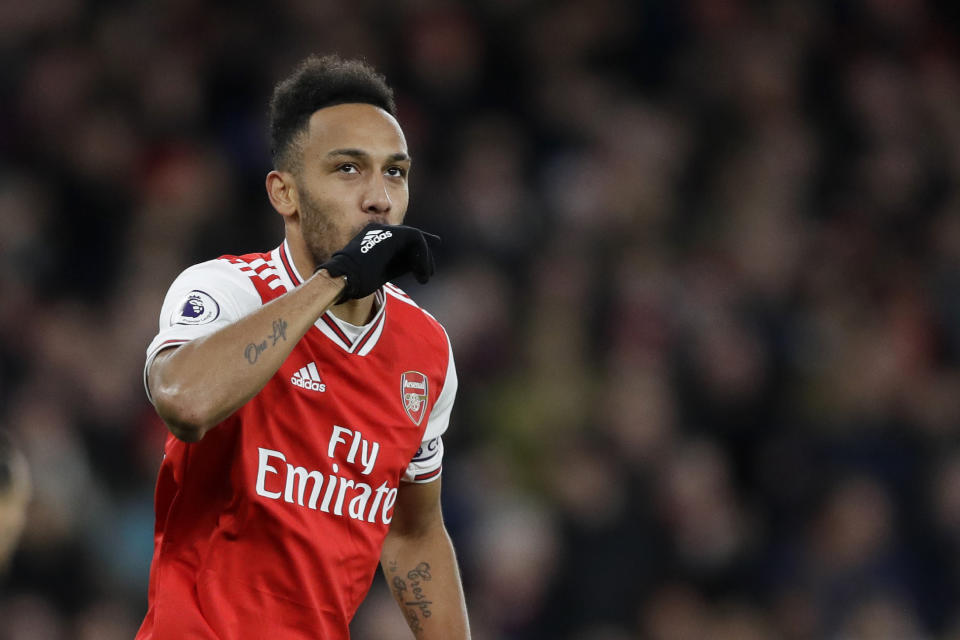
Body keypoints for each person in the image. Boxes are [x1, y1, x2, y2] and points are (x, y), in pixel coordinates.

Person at [136, 55, 470, 640]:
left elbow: (413, 534)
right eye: (347, 169)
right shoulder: (228, 290)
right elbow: (184, 403)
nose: (379, 199)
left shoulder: (426, 351)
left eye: (395, 173)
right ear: (284, 193)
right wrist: (337, 278)